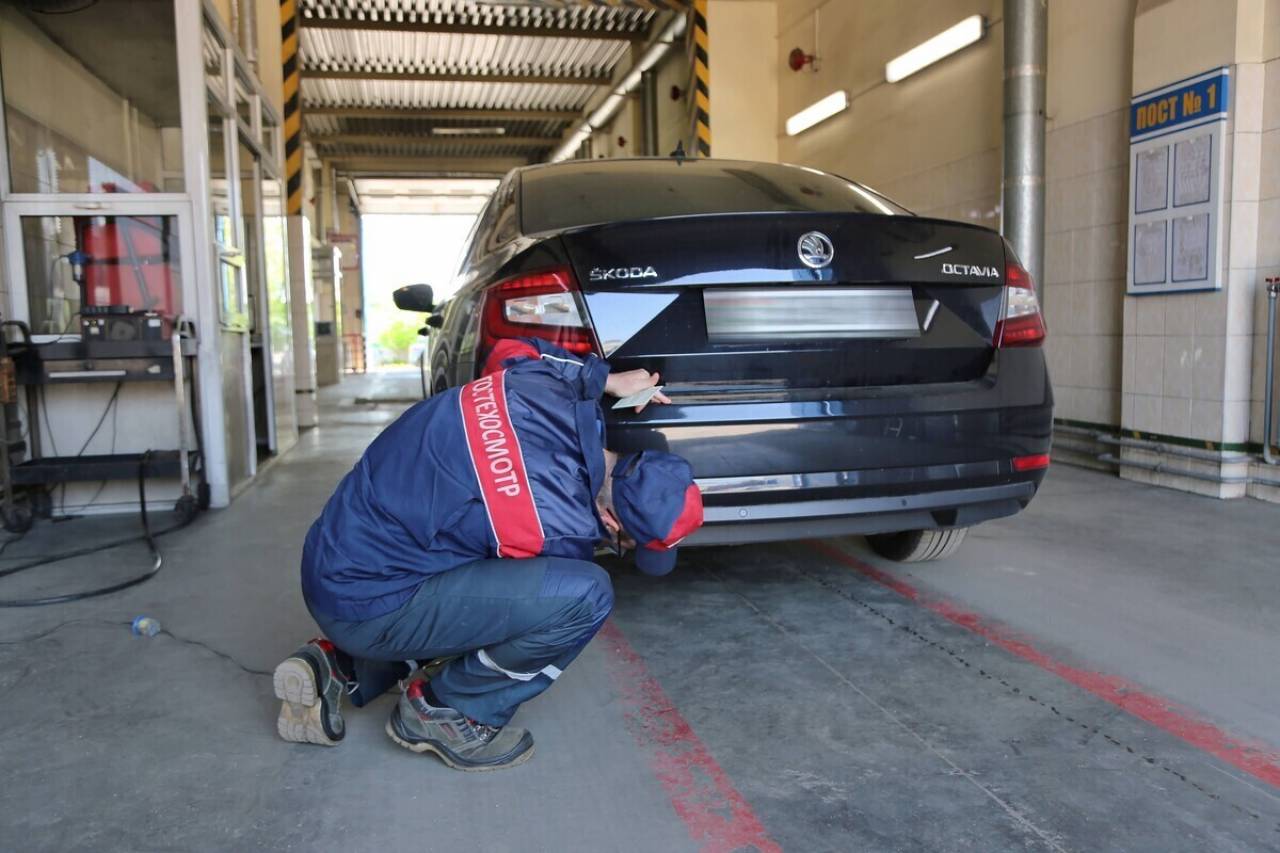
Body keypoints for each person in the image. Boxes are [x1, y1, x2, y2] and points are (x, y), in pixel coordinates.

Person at [273, 337, 704, 771]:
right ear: (612, 523)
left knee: (461, 553)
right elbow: (500, 612)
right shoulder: (555, 528)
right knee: (579, 600)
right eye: (626, 545)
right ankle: (445, 712)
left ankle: (342, 668)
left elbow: (511, 347)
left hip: (335, 558)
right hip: (366, 604)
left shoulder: (543, 386)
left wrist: (603, 378)